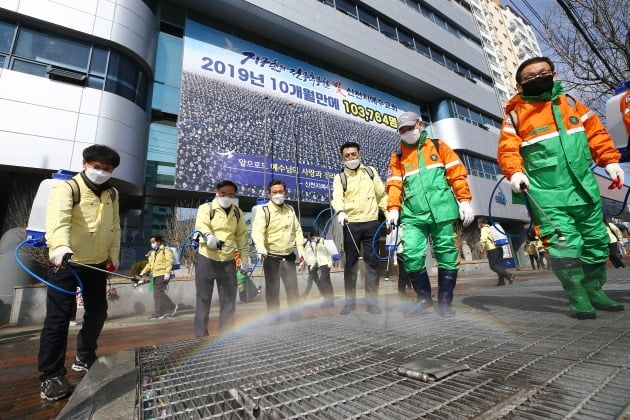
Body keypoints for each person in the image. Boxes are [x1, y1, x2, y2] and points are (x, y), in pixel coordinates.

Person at [497, 56, 625, 319]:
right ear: (519, 87)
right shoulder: (515, 116)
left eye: (542, 73)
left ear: (554, 75)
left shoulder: (572, 104)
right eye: (529, 78)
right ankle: (577, 296)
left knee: (597, 242)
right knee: (564, 246)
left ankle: (594, 290)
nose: (537, 79)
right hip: (547, 195)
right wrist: (516, 172)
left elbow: (597, 135)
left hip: (583, 189)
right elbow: (508, 149)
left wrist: (610, 162)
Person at [39, 144, 121, 401]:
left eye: (107, 169)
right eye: (97, 167)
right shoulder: (67, 188)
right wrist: (60, 247)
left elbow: (114, 226)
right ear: (85, 163)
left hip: (95, 264)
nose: (102, 172)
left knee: (98, 313)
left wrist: (114, 255)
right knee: (59, 319)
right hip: (66, 263)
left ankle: (84, 357)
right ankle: (50, 376)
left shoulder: (113, 194)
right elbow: (58, 221)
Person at [386, 112, 475, 317]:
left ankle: (445, 301)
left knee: (446, 253)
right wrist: (393, 208)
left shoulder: (438, 146)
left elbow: (457, 173)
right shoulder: (398, 156)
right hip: (413, 214)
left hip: (442, 210)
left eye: (410, 128)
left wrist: (464, 200)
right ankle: (424, 299)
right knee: (411, 254)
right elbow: (394, 184)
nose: (407, 132)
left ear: (420, 124)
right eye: (402, 130)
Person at [331, 141, 388, 315]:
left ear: (359, 154)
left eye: (353, 154)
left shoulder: (371, 172)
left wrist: (388, 214)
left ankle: (372, 303)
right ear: (343, 158)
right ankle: (350, 303)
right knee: (351, 264)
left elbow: (381, 195)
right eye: (347, 156)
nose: (351, 158)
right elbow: (337, 196)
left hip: (372, 223)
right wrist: (340, 211)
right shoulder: (340, 177)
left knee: (372, 263)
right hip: (351, 224)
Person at [194, 180, 249, 336]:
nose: (227, 197)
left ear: (234, 196)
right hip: (207, 259)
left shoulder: (237, 212)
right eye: (223, 193)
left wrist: (244, 260)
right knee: (203, 299)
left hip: (228, 262)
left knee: (229, 300)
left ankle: (225, 334)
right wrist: (209, 236)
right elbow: (201, 225)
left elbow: (242, 237)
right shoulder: (206, 208)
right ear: (217, 193)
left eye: (231, 194)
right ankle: (200, 335)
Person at [251, 180, 305, 320]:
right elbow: (257, 231)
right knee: (273, 292)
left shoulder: (290, 209)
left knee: (293, 290)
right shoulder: (264, 211)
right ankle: (275, 320)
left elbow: (297, 230)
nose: (278, 194)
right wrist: (260, 247)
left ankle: (296, 317)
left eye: (281, 191)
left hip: (288, 257)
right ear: (269, 194)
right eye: (275, 192)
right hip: (271, 258)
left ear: (285, 192)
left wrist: (301, 249)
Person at [138, 235, 178, 320]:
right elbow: (149, 264)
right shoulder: (153, 252)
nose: (152, 244)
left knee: (158, 292)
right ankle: (160, 312)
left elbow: (169, 261)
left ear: (158, 241)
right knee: (156, 294)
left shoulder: (166, 250)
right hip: (155, 275)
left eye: (153, 242)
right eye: (151, 242)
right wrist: (143, 271)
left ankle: (171, 307)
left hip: (163, 274)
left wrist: (167, 273)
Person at [478, 218, 515, 286]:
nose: (478, 225)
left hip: (492, 249)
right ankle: (501, 282)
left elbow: (483, 239)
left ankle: (509, 275)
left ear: (481, 223)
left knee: (493, 266)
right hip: (499, 248)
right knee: (499, 265)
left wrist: (482, 247)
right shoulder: (491, 228)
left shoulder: (484, 229)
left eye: (478, 223)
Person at [302, 231, 335, 307]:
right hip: (321, 265)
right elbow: (316, 256)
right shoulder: (317, 244)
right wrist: (313, 265)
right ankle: (331, 302)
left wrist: (330, 262)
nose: (313, 239)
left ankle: (327, 300)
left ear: (316, 236)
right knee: (328, 282)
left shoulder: (324, 242)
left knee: (322, 280)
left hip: (326, 264)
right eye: (312, 238)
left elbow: (330, 252)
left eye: (313, 238)